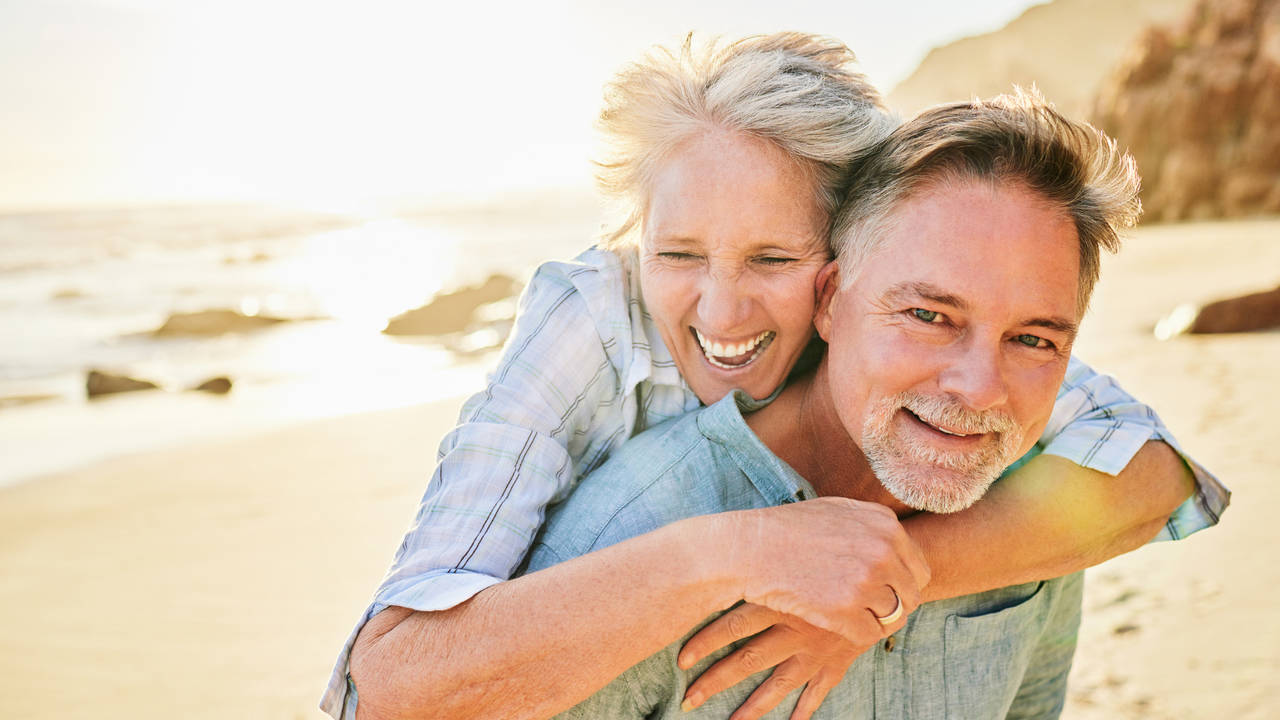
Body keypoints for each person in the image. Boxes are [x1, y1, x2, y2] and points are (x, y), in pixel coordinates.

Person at [323, 34, 1228, 720]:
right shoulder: (594, 339)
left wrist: (890, 582)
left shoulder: (984, 412)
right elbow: (389, 689)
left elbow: (1154, 473)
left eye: (771, 257)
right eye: (676, 251)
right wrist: (732, 553)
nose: (720, 313)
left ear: (834, 266)